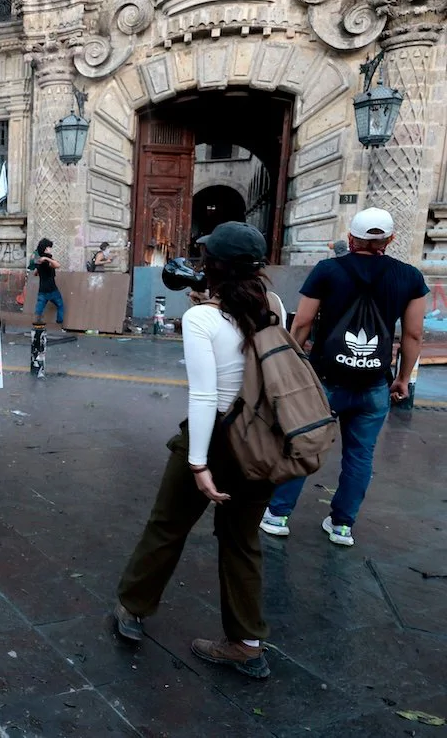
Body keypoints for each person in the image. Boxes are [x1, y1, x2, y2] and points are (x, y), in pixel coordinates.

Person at [113, 221, 282, 680]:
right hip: (262, 440)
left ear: (212, 266)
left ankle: (132, 608)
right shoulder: (274, 306)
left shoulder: (201, 318)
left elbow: (206, 396)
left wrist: (198, 462)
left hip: (214, 440)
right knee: (243, 541)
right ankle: (247, 642)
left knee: (167, 525)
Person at [260, 208, 427, 546]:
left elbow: (303, 322)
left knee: (302, 443)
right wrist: (403, 379)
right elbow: (413, 335)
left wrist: (294, 363)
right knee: (360, 455)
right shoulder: (409, 277)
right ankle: (342, 526)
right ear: (390, 240)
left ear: (351, 238)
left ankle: (278, 515)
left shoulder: (328, 270)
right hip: (374, 384)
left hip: (325, 381)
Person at [30, 238, 64, 327]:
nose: (50, 249)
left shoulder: (38, 260)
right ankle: (59, 324)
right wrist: (47, 258)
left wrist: (39, 271)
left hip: (42, 290)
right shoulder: (46, 259)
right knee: (60, 305)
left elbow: (35, 273)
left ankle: (36, 326)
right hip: (52, 289)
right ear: (45, 248)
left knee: (39, 310)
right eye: (49, 247)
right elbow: (57, 265)